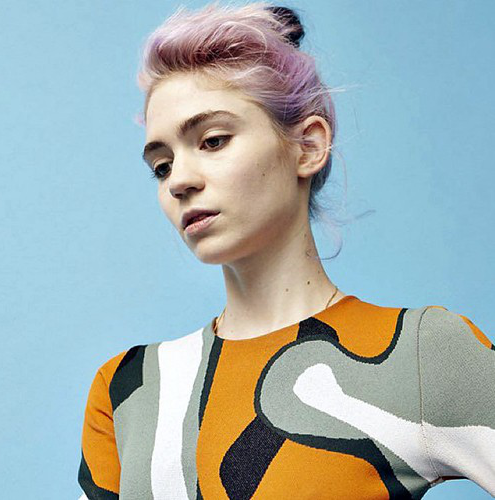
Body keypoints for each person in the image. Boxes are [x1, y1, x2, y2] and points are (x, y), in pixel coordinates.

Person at [77, 2, 495, 498]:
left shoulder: (420, 354)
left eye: (212, 141)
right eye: (161, 166)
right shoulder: (129, 390)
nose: (179, 181)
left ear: (308, 146)